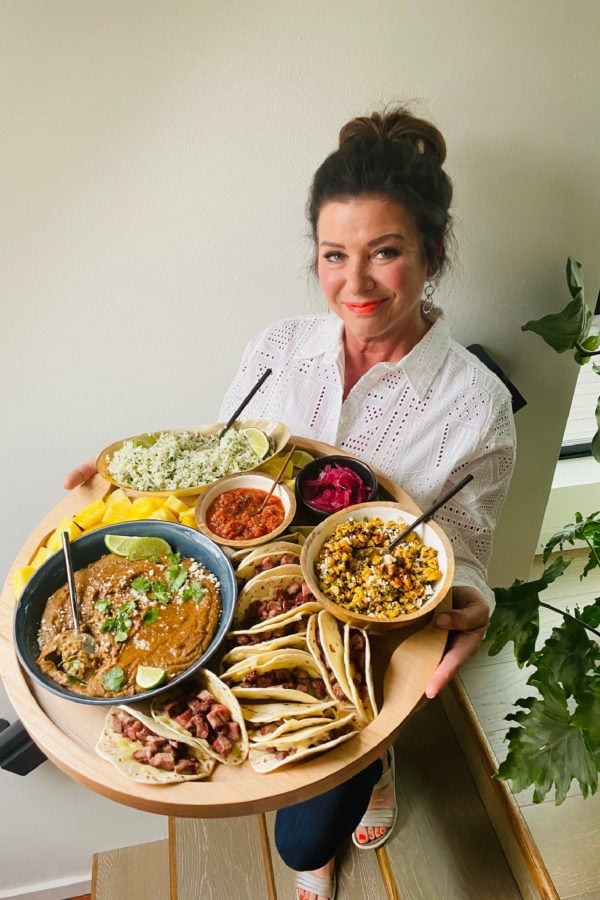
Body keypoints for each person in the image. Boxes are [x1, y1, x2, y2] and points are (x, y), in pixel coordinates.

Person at [65, 106, 515, 900]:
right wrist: (131, 483)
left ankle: (376, 766)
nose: (356, 282)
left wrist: (472, 600)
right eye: (335, 255)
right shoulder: (277, 351)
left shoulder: (475, 404)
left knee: (303, 836)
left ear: (433, 252)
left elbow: (465, 549)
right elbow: (220, 467)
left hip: (368, 631)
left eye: (386, 252)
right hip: (245, 598)